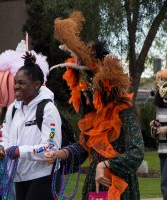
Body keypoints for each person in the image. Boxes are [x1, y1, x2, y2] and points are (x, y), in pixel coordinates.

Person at [44, 11, 144, 200]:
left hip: (120, 188)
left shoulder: (124, 110)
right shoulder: (90, 115)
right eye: (80, 92)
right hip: (95, 187)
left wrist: (105, 165)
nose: (84, 96)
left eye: (88, 91)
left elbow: (136, 152)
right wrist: (63, 153)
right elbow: (84, 147)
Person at [0, 52, 62, 200]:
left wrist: (20, 151)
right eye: (15, 82)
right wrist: (0, 148)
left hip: (43, 176)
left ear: (36, 84)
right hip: (19, 177)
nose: (16, 87)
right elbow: (6, 139)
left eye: (22, 83)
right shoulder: (12, 109)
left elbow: (51, 147)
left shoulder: (48, 109)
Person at [150, 74, 167, 199]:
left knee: (165, 185)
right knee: (164, 184)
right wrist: (155, 125)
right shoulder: (161, 106)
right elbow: (156, 132)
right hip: (163, 149)